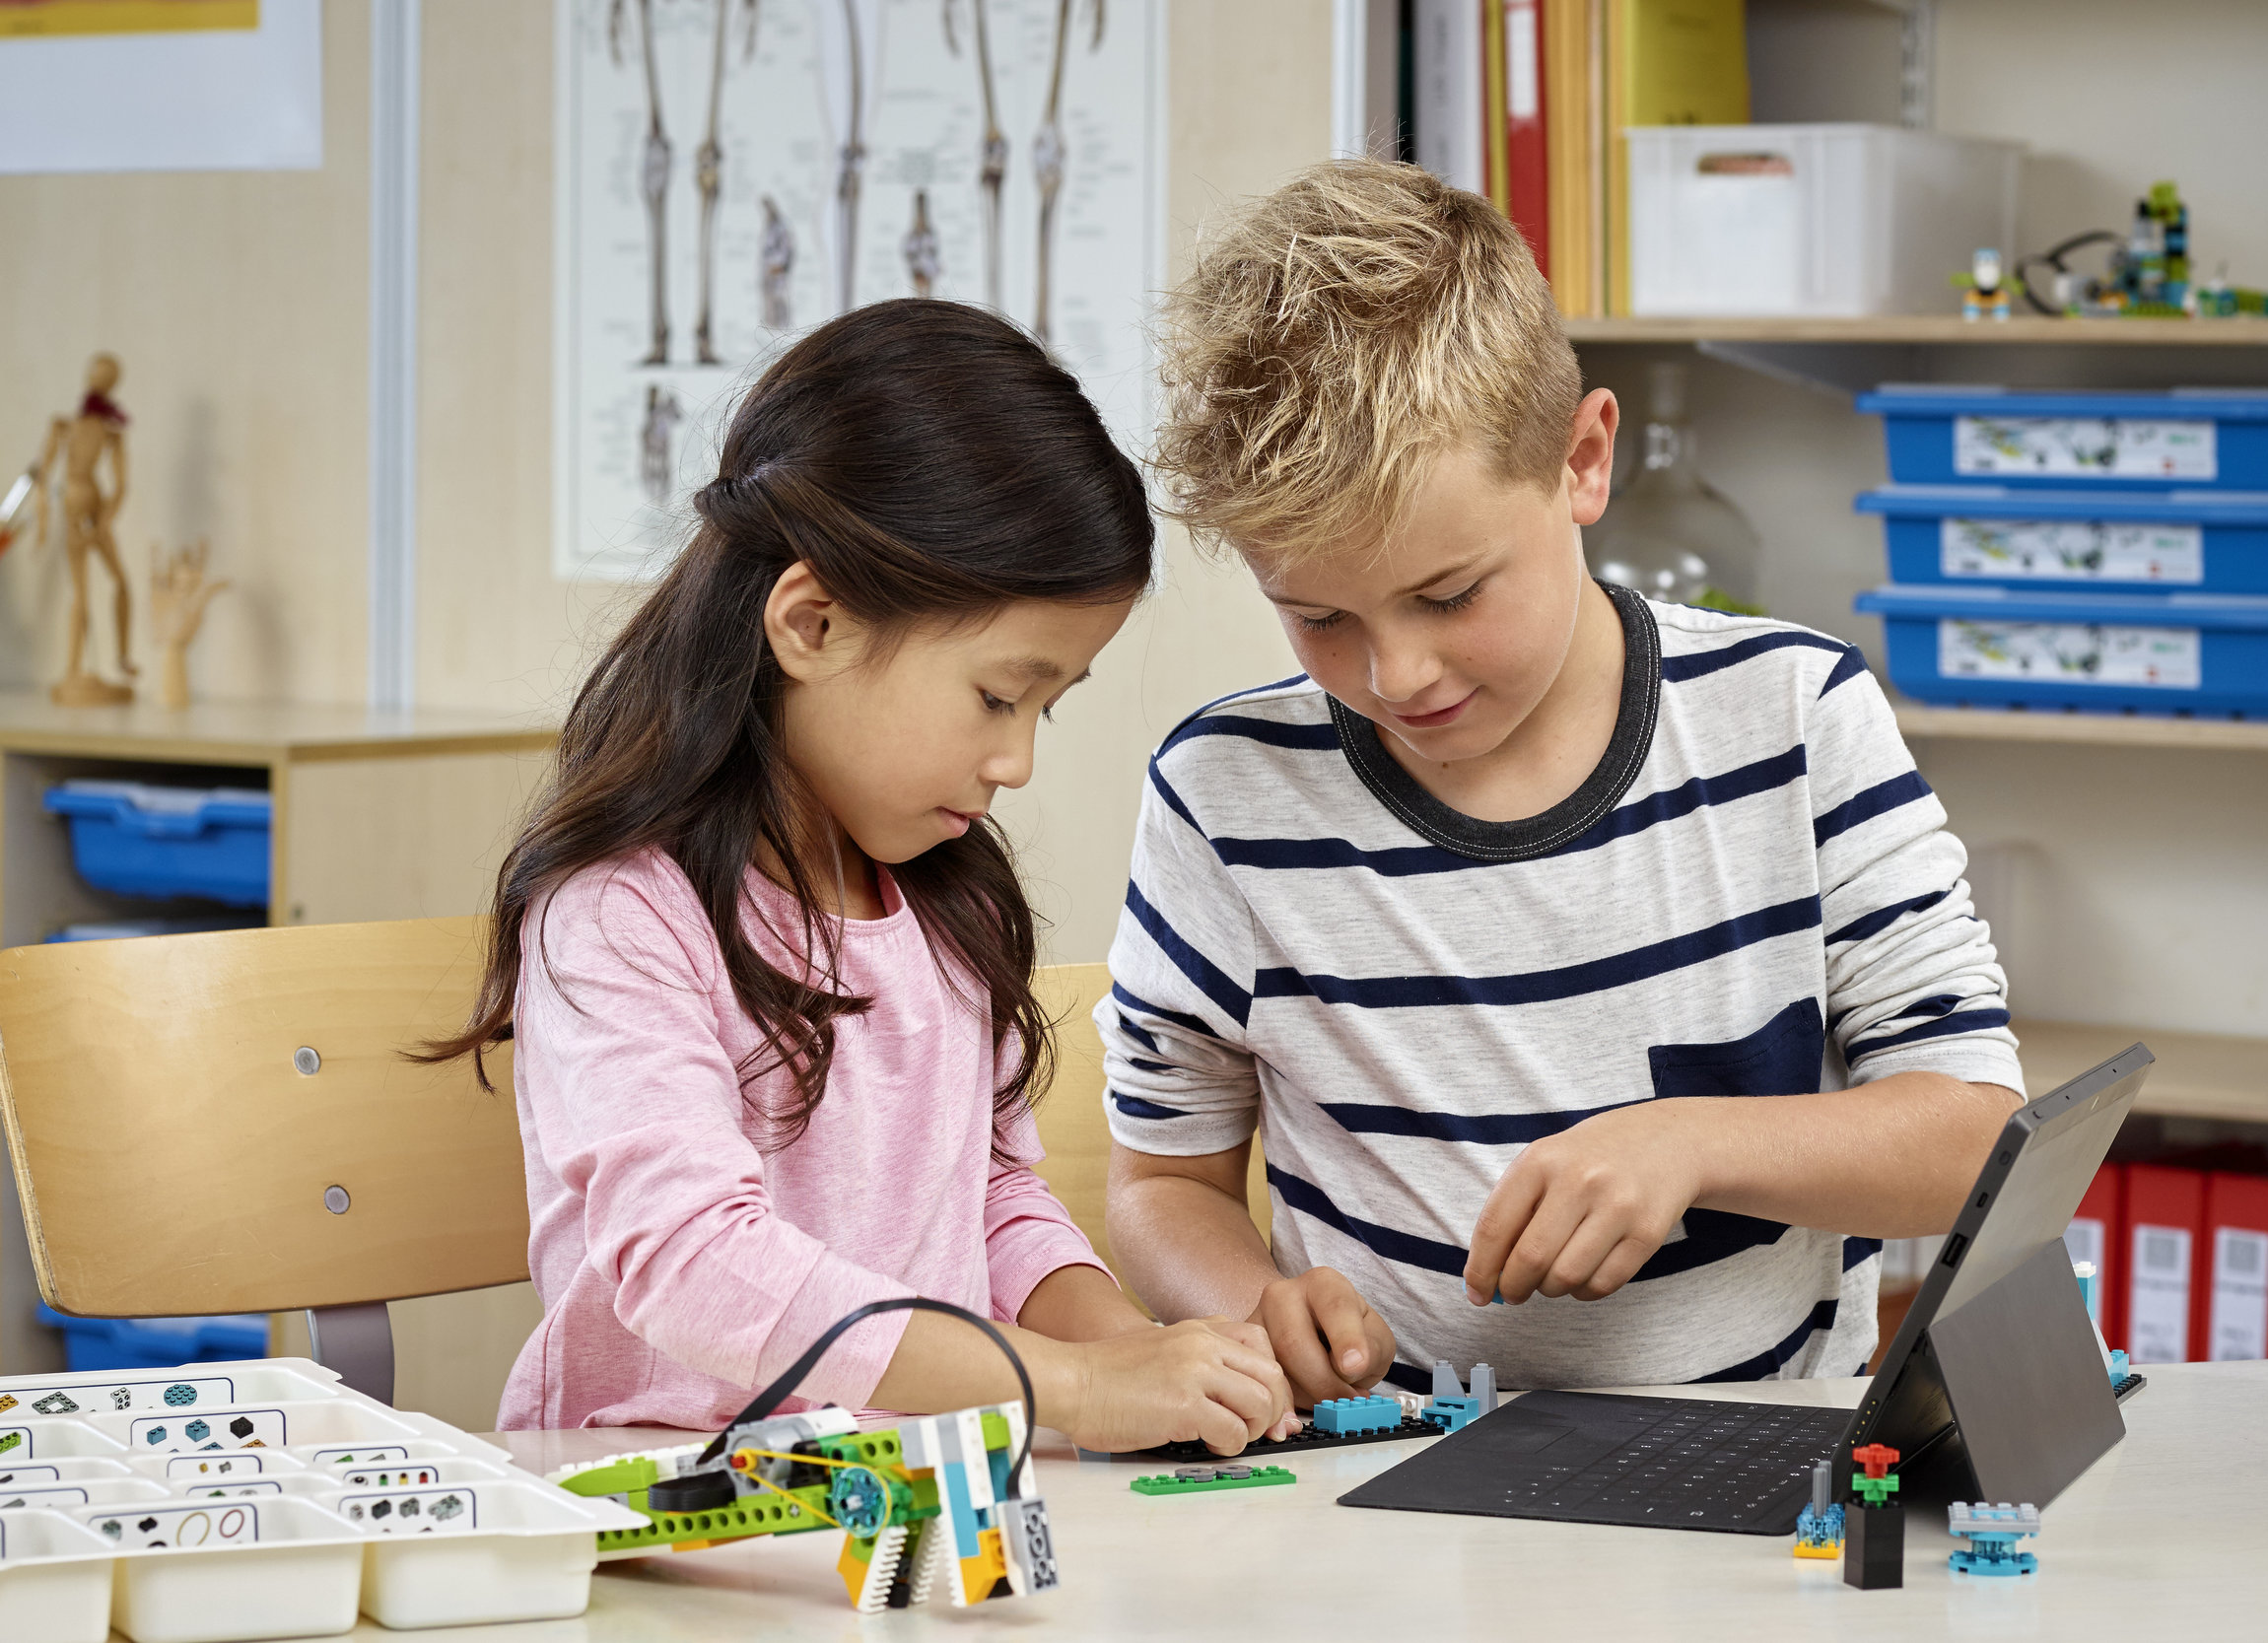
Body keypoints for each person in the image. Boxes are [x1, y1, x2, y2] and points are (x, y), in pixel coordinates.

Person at [1102, 161, 2025, 1405]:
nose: (1396, 673)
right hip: (1389, 1471)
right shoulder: (1227, 795)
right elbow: (1163, 1186)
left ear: (1584, 461)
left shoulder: (1792, 719)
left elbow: (1972, 1137)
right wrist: (1253, 1303)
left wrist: (1694, 1143)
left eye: (1448, 594)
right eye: (1317, 616)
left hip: (1763, 1460)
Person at [427, 301, 1292, 1454]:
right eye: (997, 694)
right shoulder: (622, 916)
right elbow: (691, 1260)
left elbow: (992, 1200)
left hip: (913, 1491)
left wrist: (1124, 1351)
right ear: (812, 621)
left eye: (1047, 704)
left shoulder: (948, 899)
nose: (1017, 760)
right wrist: (1072, 1390)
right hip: (667, 1501)